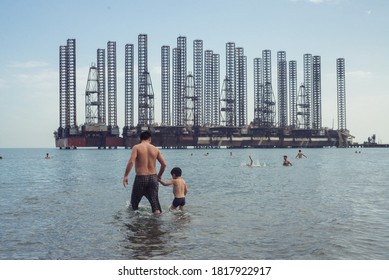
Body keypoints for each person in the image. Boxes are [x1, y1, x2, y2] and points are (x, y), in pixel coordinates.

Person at [123, 131, 167, 214]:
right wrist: (159, 176)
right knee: (155, 204)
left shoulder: (136, 147)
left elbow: (131, 162)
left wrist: (126, 176)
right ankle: (156, 223)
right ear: (150, 138)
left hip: (141, 177)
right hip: (153, 177)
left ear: (140, 139)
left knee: (134, 204)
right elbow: (164, 164)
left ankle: (134, 224)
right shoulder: (155, 149)